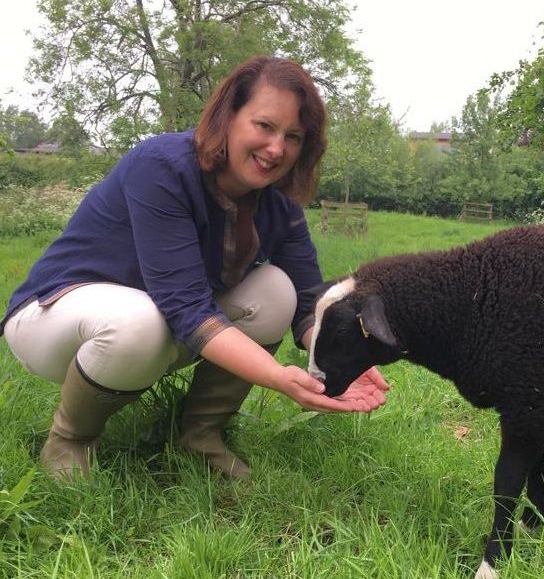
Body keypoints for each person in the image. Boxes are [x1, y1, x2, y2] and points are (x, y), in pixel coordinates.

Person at [0, 55, 390, 481]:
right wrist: (279, 378)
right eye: (264, 126)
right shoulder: (163, 166)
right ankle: (71, 439)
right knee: (139, 321)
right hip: (52, 320)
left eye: (293, 136)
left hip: (156, 328)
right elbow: (186, 309)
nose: (277, 148)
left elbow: (305, 305)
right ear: (228, 117)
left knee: (278, 289)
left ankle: (200, 437)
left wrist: (335, 357)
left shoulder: (278, 201)